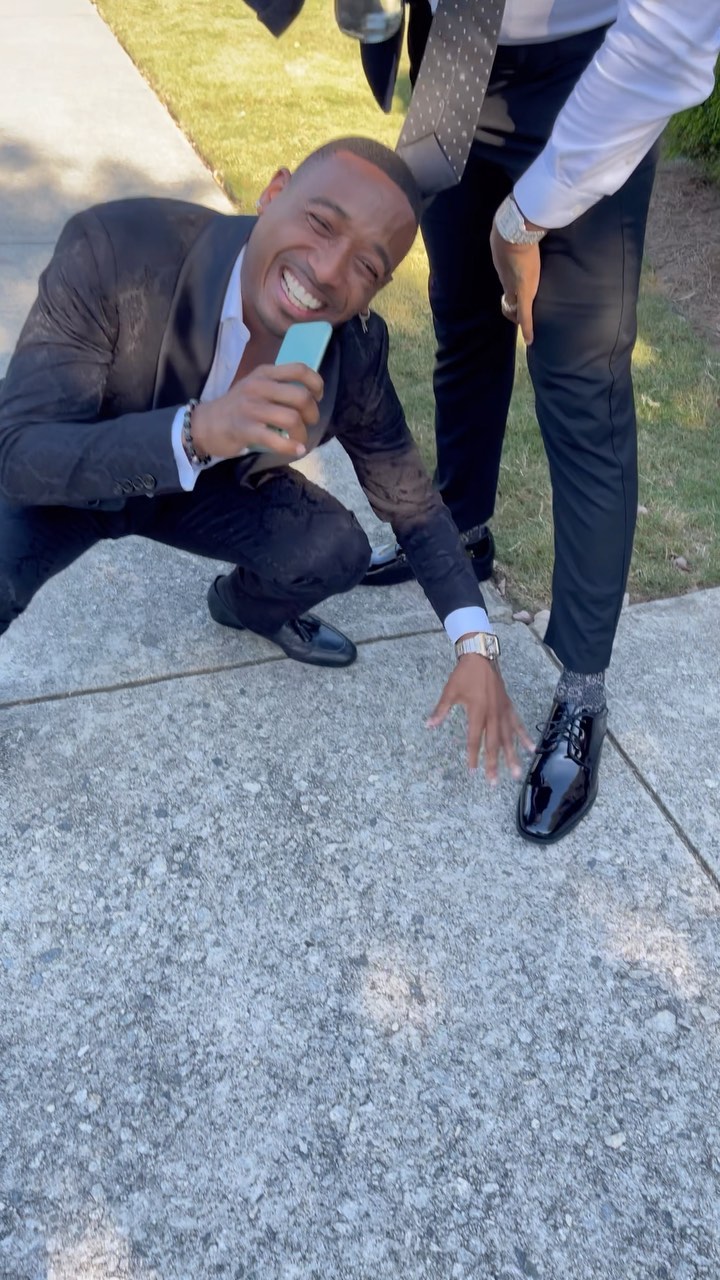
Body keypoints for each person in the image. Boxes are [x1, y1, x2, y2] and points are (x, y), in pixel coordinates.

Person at [0, 136, 531, 783]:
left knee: (335, 551)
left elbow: (413, 505)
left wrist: (476, 646)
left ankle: (242, 607)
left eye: (366, 265)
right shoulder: (118, 249)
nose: (329, 271)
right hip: (71, 470)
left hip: (205, 494)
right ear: (274, 193)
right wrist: (198, 431)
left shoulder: (351, 353)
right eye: (321, 223)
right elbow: (19, 454)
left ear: (377, 288)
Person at [332, 0, 719, 844]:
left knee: (582, 393)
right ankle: (462, 532)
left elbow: (680, 27)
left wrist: (528, 216)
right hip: (454, 55)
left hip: (591, 76)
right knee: (463, 322)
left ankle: (583, 688)